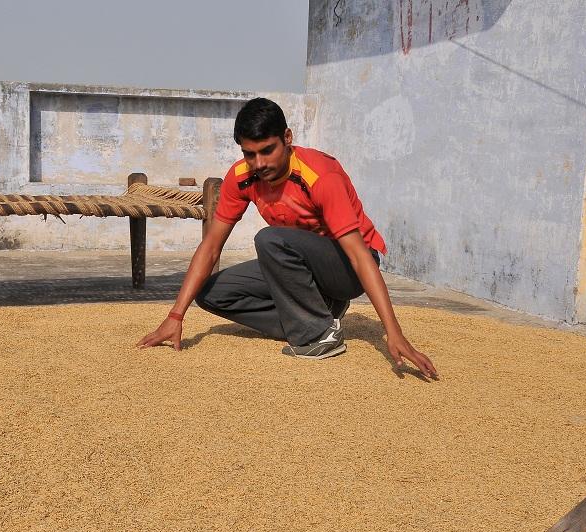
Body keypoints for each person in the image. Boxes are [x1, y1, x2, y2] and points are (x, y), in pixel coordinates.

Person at [136, 97, 437, 378]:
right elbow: (211, 246)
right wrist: (176, 315)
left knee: (270, 240)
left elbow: (359, 256)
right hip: (301, 264)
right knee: (210, 292)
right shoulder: (241, 178)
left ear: (288, 138)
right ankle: (320, 317)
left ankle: (319, 334)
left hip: (348, 269)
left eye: (268, 150)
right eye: (249, 154)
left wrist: (394, 332)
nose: (259, 163)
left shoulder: (320, 176)